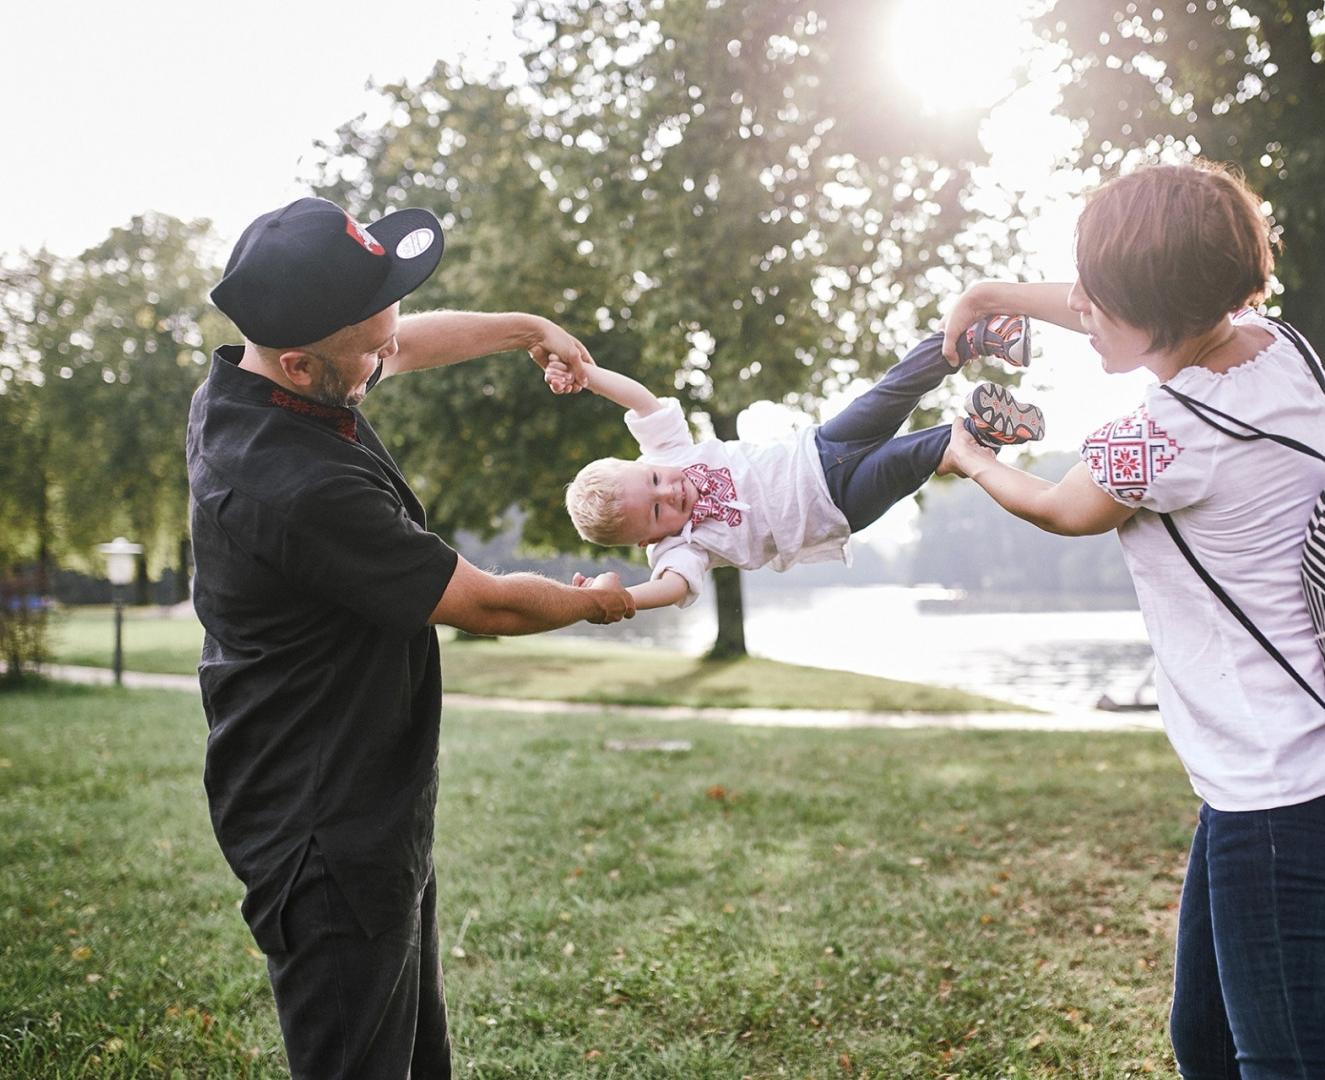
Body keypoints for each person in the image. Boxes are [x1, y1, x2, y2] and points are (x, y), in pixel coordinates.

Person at [937, 161, 1325, 1078]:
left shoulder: (1163, 434)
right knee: (1204, 1040)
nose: (1077, 309)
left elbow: (1058, 508)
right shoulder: (1278, 348)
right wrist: (992, 295)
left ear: (1152, 312)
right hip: (1302, 770)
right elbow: (1118, 303)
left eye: (1094, 298)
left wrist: (969, 457)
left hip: (1285, 792)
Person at [187, 195, 636, 1079]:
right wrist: (604, 600)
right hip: (324, 835)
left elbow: (401, 340)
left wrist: (525, 329)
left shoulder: (264, 379)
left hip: (369, 803)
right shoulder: (294, 483)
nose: (390, 355)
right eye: (372, 349)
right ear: (300, 361)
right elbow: (488, 605)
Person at [554, 323, 1045, 610]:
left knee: (894, 390)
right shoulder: (679, 549)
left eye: (655, 481)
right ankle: (982, 431)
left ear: (645, 463)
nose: (672, 493)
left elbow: (641, 401)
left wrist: (586, 375)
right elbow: (671, 588)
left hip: (821, 446)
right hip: (840, 509)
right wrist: (619, 600)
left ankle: (979, 337)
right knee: (916, 456)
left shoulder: (669, 452)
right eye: (659, 511)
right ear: (648, 539)